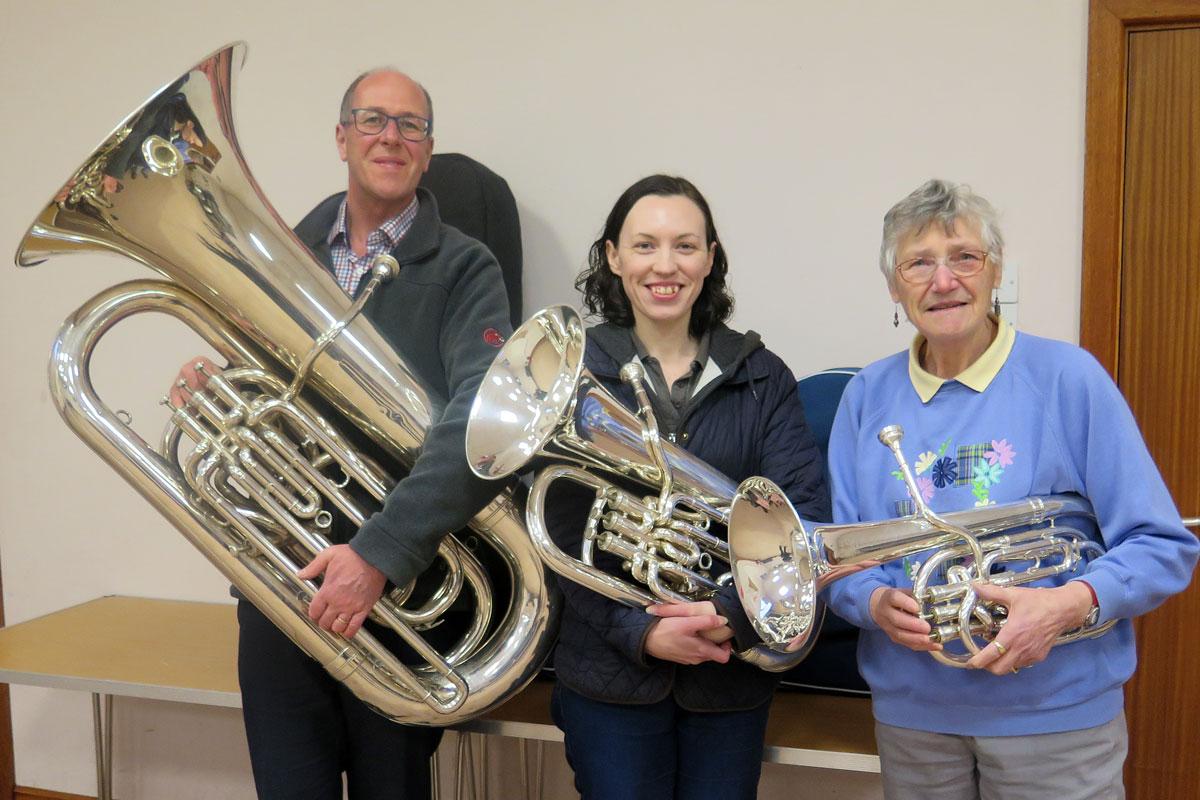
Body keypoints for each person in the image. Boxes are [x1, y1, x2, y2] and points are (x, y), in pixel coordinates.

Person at [172, 68, 515, 799]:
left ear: (428, 149)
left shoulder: (463, 266)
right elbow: (264, 394)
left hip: (398, 588)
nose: (391, 136)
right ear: (341, 137)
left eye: (410, 125)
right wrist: (216, 386)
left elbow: (481, 419)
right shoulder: (280, 257)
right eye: (371, 119)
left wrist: (378, 554)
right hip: (281, 580)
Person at [824, 178, 1199, 799]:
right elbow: (841, 554)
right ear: (894, 286)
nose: (944, 282)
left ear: (995, 271)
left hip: (1055, 718)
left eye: (965, 257)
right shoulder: (866, 396)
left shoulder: (1067, 378)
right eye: (919, 263)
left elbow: (1162, 544)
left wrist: (1064, 605)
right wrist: (871, 604)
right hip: (913, 718)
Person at [545, 174, 830, 799]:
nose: (665, 265)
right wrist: (639, 631)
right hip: (609, 675)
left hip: (729, 675)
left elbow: (800, 518)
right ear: (614, 258)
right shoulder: (574, 373)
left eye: (685, 246)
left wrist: (726, 615)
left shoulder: (761, 376)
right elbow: (559, 534)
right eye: (644, 246)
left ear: (710, 258)